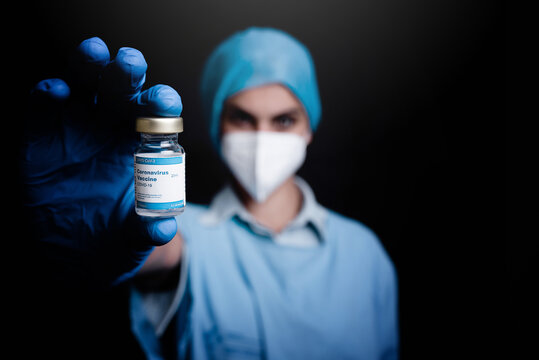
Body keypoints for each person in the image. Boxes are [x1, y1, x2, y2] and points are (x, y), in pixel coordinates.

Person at [23, 27, 398, 359]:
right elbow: (160, 251)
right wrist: (104, 232)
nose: (263, 137)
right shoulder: (183, 230)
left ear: (309, 128)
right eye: (242, 118)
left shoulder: (365, 253)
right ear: (218, 128)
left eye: (284, 120)